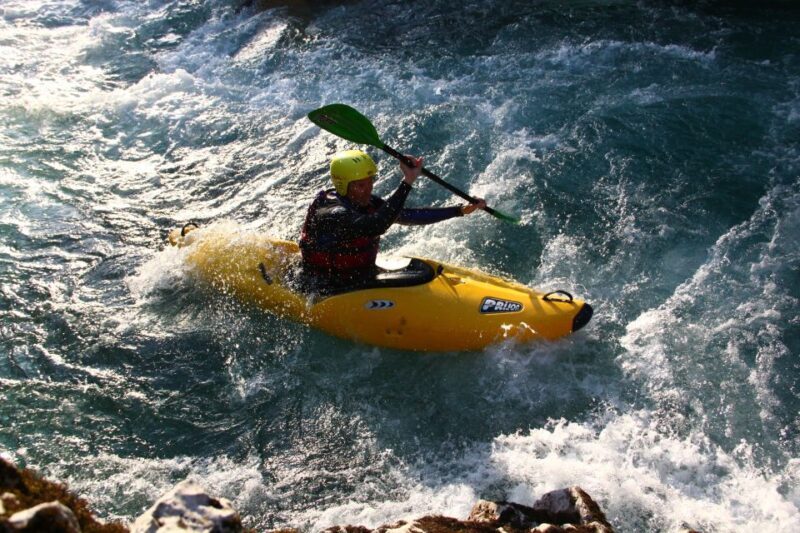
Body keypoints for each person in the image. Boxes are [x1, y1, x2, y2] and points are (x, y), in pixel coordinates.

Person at [299, 149, 486, 290]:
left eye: (370, 181)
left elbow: (406, 216)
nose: (368, 189)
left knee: (423, 273)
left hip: (362, 275)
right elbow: (376, 225)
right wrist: (407, 182)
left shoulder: (366, 201)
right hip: (325, 284)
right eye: (360, 185)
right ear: (342, 185)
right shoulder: (332, 212)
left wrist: (460, 210)